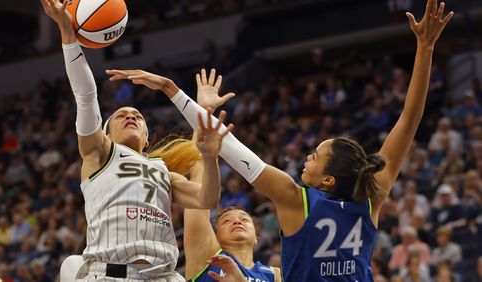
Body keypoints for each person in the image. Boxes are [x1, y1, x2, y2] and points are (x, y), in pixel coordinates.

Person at [107, 0, 453, 280]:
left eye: (315, 157)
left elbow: (232, 148)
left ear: (328, 179)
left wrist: (173, 91)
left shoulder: (295, 199)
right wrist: (425, 49)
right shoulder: (372, 195)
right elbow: (409, 120)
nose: (307, 158)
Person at [39, 0, 233, 281]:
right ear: (104, 134)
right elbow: (85, 95)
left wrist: (211, 157)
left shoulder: (164, 172)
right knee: (70, 264)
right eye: (121, 115)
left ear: (145, 140)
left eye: (138, 116)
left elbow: (208, 198)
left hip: (162, 275)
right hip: (109, 274)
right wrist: (68, 34)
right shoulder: (99, 153)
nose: (131, 115)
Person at [184, 144, 280, 282]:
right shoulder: (206, 258)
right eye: (227, 221)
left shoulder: (275, 275)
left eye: (245, 219)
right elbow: (197, 194)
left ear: (256, 238)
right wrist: (206, 153)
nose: (237, 221)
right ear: (216, 237)